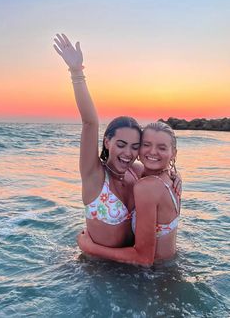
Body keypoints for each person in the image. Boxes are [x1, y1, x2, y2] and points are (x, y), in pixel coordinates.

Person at [54, 34, 181, 250]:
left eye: (134, 147)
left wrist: (176, 175)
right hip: (98, 272)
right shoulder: (94, 175)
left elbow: (159, 169)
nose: (127, 153)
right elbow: (89, 122)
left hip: (130, 270)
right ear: (107, 142)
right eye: (121, 144)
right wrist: (77, 72)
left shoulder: (135, 171)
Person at [77, 121, 180, 266]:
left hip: (152, 277)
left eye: (161, 147)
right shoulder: (168, 180)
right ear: (107, 142)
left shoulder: (146, 186)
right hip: (168, 268)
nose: (152, 151)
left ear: (173, 153)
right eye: (146, 145)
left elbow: (144, 259)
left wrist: (91, 248)